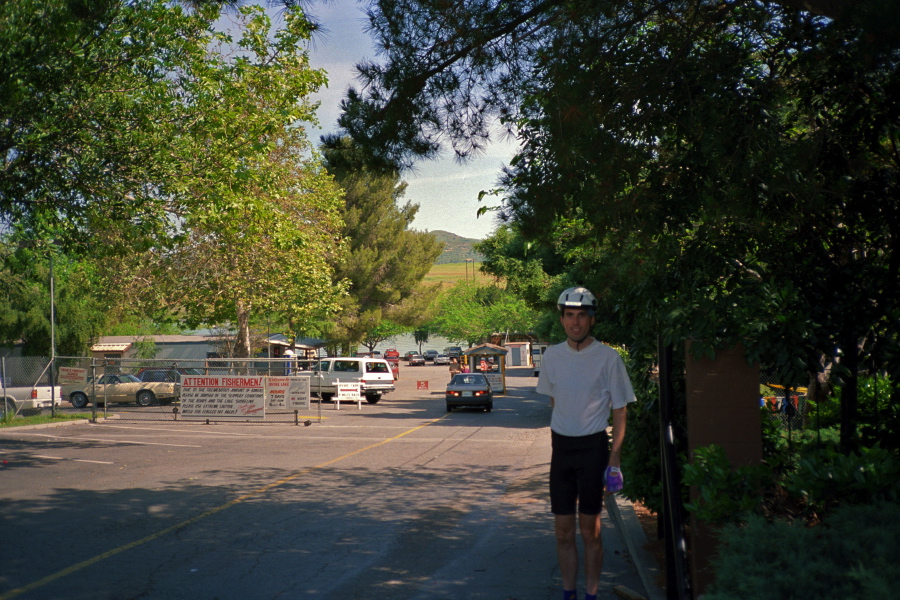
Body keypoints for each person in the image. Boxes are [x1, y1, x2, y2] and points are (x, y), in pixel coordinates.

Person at [536, 286, 636, 600]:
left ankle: (591, 595)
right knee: (563, 533)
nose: (575, 322)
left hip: (593, 450)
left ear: (591, 319)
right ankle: (570, 594)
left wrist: (614, 461)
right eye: (569, 316)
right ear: (562, 319)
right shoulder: (551, 355)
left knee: (590, 532)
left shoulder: (608, 358)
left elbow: (620, 410)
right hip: (561, 451)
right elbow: (556, 400)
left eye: (581, 316)